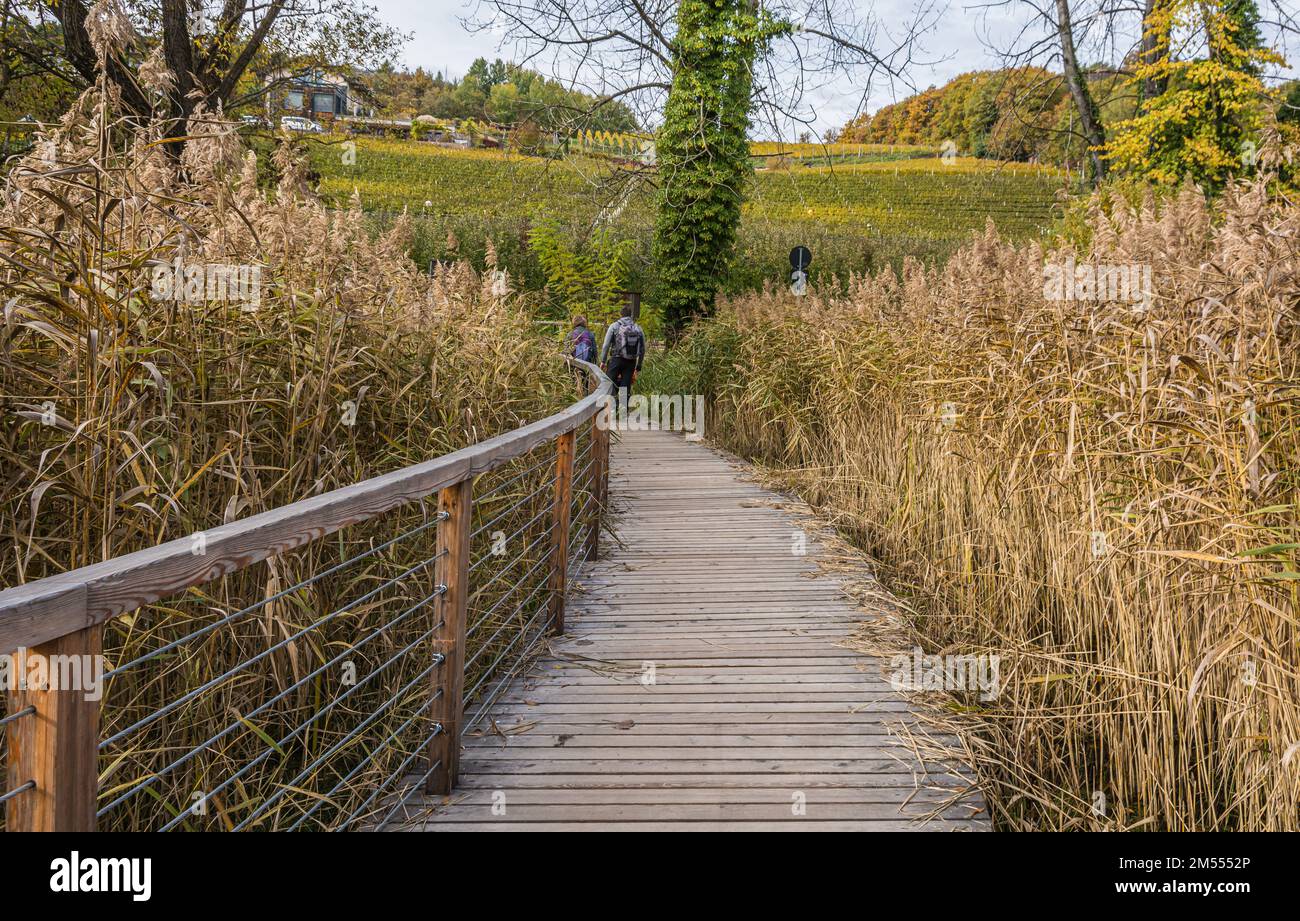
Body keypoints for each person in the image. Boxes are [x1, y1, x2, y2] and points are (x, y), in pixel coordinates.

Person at [599, 304, 645, 408]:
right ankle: (623, 412)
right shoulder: (638, 328)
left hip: (616, 359)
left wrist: (603, 360)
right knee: (626, 386)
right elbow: (643, 349)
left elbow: (606, 345)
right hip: (631, 361)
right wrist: (639, 365)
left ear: (621, 314)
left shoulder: (614, 326)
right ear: (631, 315)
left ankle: (612, 409)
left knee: (610, 384)